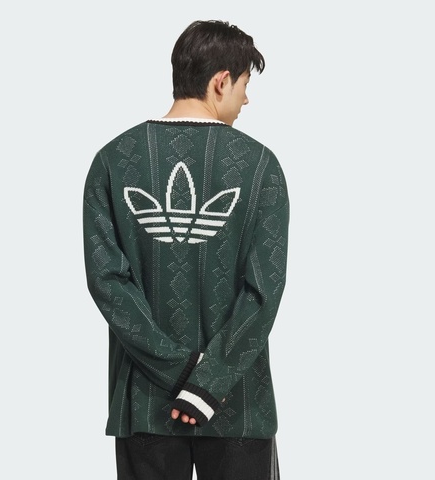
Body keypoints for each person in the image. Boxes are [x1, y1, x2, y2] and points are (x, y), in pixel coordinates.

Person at [83, 19, 289, 480]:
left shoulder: (111, 161)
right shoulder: (261, 167)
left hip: (145, 405)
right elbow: (263, 293)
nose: (245, 100)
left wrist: (179, 372)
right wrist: (207, 382)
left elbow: (108, 283)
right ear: (221, 81)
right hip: (238, 405)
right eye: (244, 85)